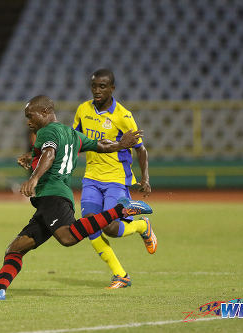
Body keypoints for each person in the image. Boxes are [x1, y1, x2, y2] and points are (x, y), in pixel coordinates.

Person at [0, 95, 152, 300]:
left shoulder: (46, 131)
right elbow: (101, 146)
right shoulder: (72, 134)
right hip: (49, 201)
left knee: (68, 237)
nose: (28, 121)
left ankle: (121, 210)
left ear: (44, 112)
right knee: (14, 249)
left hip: (53, 195)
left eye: (30, 116)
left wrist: (33, 179)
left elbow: (50, 153)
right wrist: (121, 144)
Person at [72, 68, 156, 289]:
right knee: (90, 226)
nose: (97, 91)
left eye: (102, 86)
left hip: (116, 179)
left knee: (110, 227)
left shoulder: (123, 115)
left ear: (112, 88)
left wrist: (145, 178)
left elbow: (141, 149)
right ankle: (121, 275)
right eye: (94, 86)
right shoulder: (82, 110)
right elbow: (75, 140)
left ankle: (140, 227)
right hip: (91, 177)